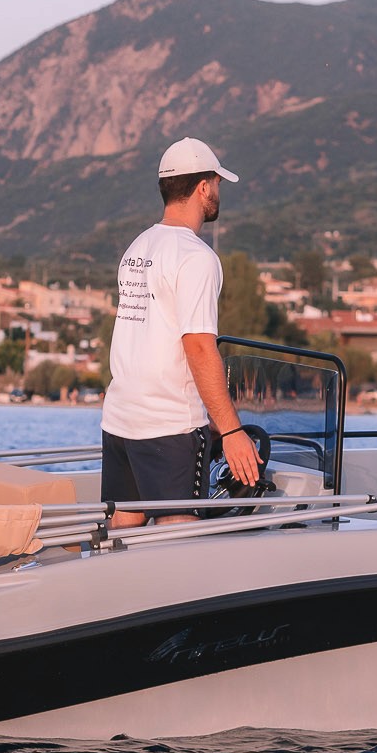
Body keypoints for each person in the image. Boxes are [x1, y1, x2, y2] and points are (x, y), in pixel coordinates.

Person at [100, 137, 263, 528]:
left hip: (121, 420)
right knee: (178, 539)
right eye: (218, 183)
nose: (219, 192)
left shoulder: (138, 248)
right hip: (168, 427)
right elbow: (200, 349)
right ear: (203, 187)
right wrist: (232, 430)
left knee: (125, 529)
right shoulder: (196, 258)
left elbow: (152, 338)